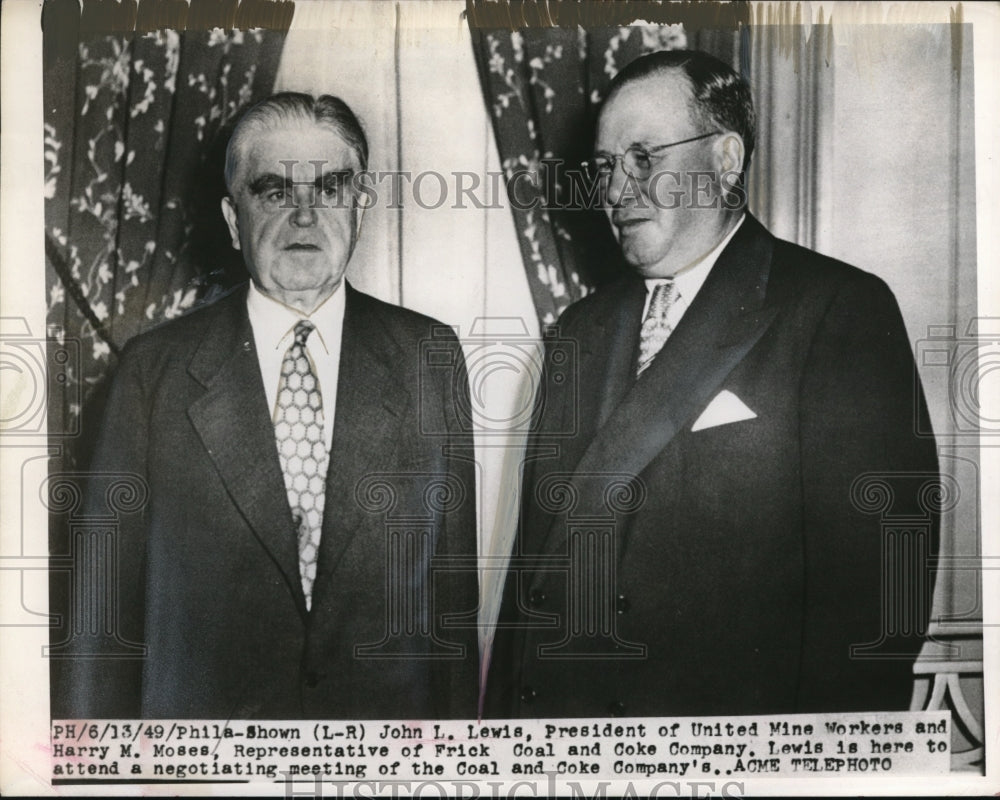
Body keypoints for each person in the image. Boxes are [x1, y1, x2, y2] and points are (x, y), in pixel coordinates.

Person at [487, 50, 939, 718]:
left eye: (644, 157)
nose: (616, 190)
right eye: (606, 165)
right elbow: (532, 580)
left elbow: (875, 612)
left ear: (726, 160)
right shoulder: (578, 331)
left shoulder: (836, 309)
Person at [57, 92, 478, 719]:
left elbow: (451, 608)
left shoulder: (429, 356)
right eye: (275, 192)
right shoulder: (152, 374)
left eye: (331, 188)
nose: (304, 217)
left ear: (360, 207)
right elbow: (98, 629)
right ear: (233, 220)